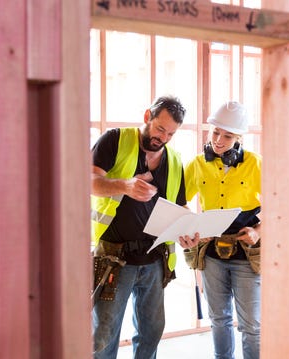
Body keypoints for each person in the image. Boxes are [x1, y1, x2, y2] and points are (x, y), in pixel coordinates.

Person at [91, 95, 200, 359]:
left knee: (152, 331)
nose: (162, 138)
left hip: (154, 259)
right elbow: (88, 181)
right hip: (114, 257)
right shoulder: (116, 139)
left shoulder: (173, 160)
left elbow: (180, 206)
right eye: (160, 128)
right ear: (146, 117)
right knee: (104, 334)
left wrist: (188, 230)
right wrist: (125, 185)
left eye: (171, 133)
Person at [182, 101, 261, 359]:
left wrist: (259, 231)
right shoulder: (196, 164)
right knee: (219, 319)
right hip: (212, 253)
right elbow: (177, 201)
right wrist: (191, 226)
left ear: (239, 138)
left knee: (251, 325)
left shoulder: (255, 164)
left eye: (227, 136)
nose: (219, 140)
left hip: (246, 253)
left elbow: (283, 204)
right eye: (215, 132)